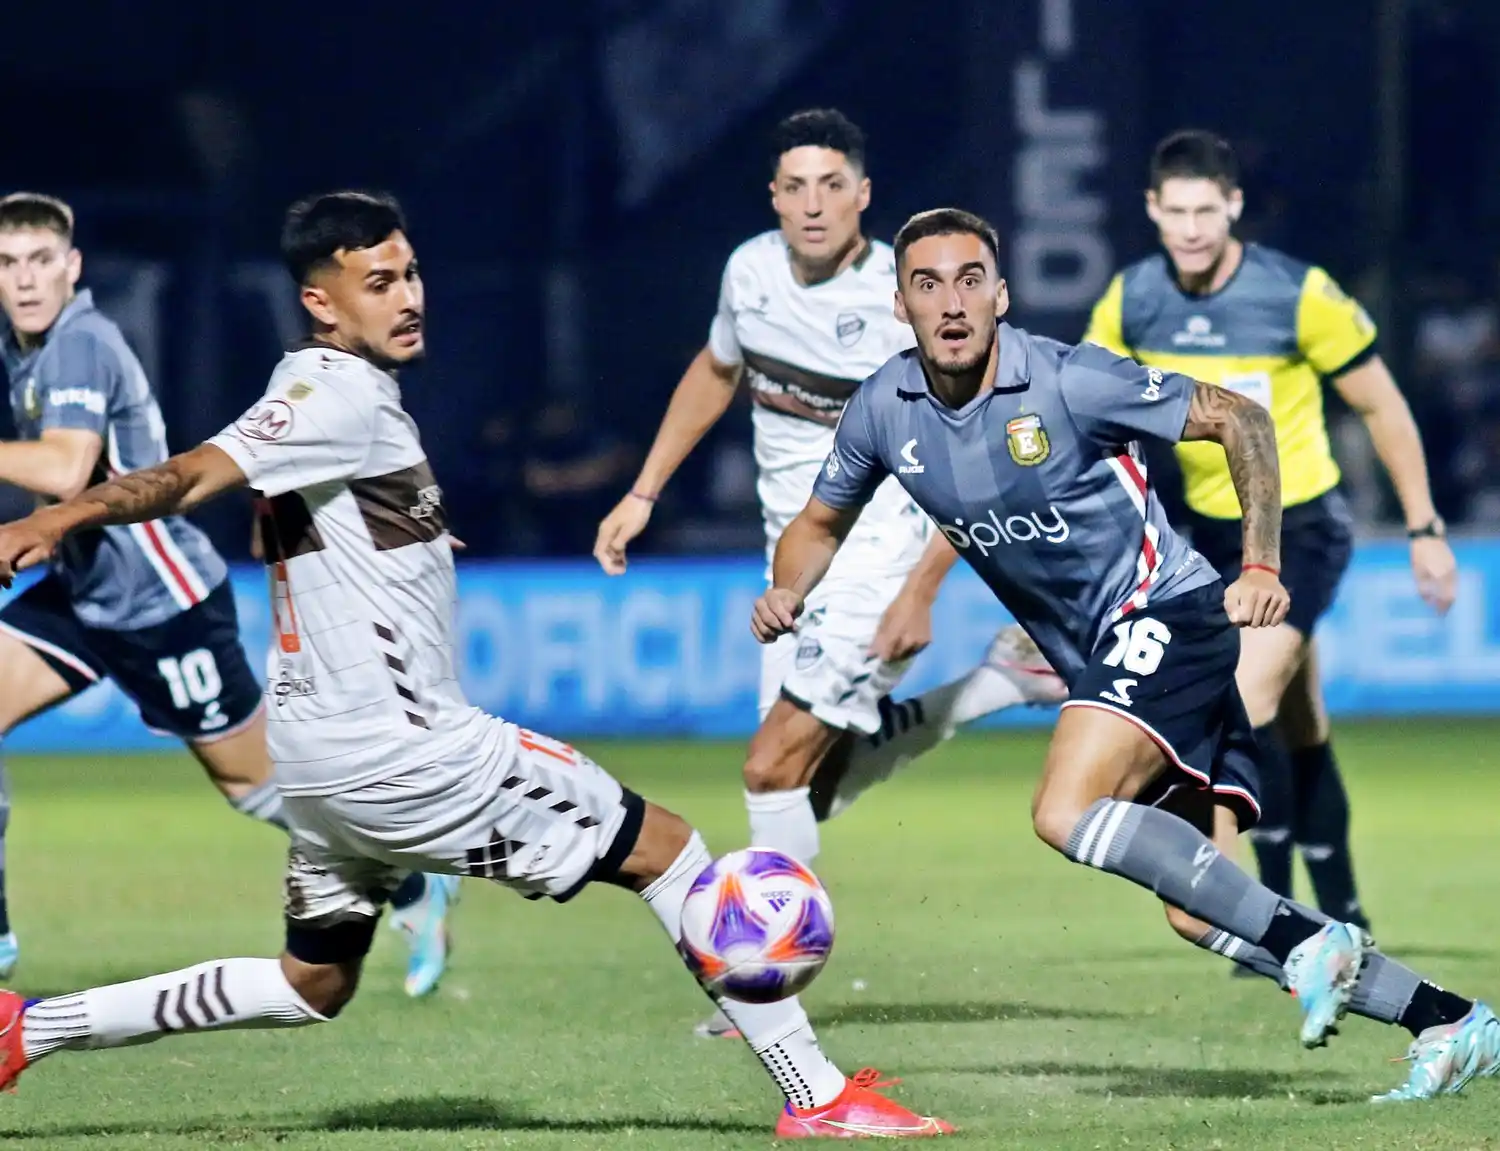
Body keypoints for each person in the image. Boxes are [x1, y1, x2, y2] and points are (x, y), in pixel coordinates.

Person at [0, 191, 951, 1139]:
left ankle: (26, 1028)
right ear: (322, 303)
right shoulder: (324, 393)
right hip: (405, 750)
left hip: (319, 761)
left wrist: (410, 547)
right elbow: (189, 474)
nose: (407, 296)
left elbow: (304, 522)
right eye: (377, 282)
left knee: (312, 982)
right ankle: (819, 1096)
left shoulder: (352, 398)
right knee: (671, 852)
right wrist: (55, 516)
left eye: (410, 273)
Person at [756, 207, 1498, 1102]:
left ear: (1001, 293)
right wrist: (790, 589)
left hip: (1167, 613)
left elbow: (1242, 419)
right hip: (1099, 659)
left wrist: (1259, 561)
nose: (950, 303)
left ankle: (1317, 942)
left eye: (967, 280)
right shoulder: (886, 407)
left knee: (1064, 807)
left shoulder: (1068, 379)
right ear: (901, 302)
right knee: (1197, 907)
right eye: (927, 283)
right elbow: (817, 523)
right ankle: (1451, 1019)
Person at [593, 112, 1063, 1026]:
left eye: (830, 185)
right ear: (773, 197)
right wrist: (645, 490)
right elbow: (715, 368)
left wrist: (923, 586)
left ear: (864, 195)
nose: (812, 205)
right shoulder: (749, 271)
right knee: (810, 783)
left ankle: (766, 992)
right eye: (794, 187)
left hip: (881, 554)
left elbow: (967, 454)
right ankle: (999, 684)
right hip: (796, 561)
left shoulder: (908, 301)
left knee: (771, 769)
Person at [0, 192, 455, 999]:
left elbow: (66, 470)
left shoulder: (79, 344)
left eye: (42, 261)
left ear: (72, 269)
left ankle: (406, 871)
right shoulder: (24, 347)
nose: (26, 280)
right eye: (8, 264)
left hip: (159, 599)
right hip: (82, 589)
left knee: (254, 786)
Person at [1084, 131, 1457, 933]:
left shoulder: (1297, 294)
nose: (1190, 229)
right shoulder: (1133, 299)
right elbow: (1083, 403)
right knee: (1298, 720)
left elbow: (1381, 405)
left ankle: (1239, 917)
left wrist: (1424, 526)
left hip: (1301, 531)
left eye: (1205, 212)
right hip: (1207, 539)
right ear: (1152, 209)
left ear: (1235, 208)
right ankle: (1344, 910)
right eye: (1175, 212)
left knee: (1237, 701)